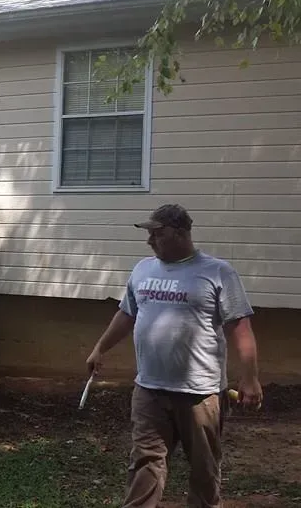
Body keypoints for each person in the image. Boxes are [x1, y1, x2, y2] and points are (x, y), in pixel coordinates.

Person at [85, 204, 262, 508]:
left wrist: (250, 378)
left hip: (200, 394)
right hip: (149, 389)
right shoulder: (143, 269)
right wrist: (100, 346)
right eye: (149, 234)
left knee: (204, 468)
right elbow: (127, 314)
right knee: (145, 462)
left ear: (181, 233)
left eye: (158, 233)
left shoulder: (217, 271)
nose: (150, 240)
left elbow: (240, 326)